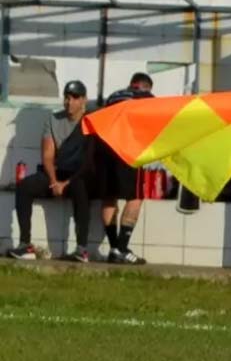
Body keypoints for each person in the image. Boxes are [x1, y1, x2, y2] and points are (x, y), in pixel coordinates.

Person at [8, 80, 96, 262]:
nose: (69, 102)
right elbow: (47, 156)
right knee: (25, 186)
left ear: (83, 100)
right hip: (56, 174)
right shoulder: (53, 120)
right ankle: (25, 244)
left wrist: (67, 183)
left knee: (81, 188)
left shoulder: (90, 122)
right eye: (66, 97)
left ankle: (82, 248)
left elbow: (88, 162)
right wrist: (55, 181)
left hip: (79, 175)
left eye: (74, 98)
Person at [96, 72, 154, 264]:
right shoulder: (146, 98)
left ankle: (113, 248)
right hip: (129, 151)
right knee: (135, 197)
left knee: (109, 198)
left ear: (131, 83)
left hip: (105, 151)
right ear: (145, 86)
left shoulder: (113, 96)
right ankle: (122, 248)